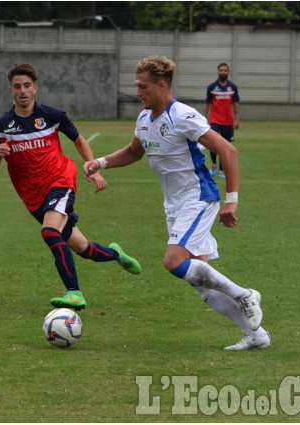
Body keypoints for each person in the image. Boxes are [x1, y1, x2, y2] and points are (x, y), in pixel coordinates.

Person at [84, 56, 269, 351]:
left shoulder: (182, 115)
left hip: (198, 197)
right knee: (204, 287)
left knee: (173, 261)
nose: (138, 92)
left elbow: (228, 151)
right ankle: (257, 336)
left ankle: (245, 295)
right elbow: (134, 152)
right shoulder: (144, 118)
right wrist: (101, 163)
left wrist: (231, 201)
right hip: (174, 205)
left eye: (142, 87)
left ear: (161, 85)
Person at [0, 62, 141, 311]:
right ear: (11, 90)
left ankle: (74, 293)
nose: (22, 90)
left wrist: (93, 166)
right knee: (82, 248)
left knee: (49, 232)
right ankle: (116, 254)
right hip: (33, 196)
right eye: (17, 86)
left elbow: (78, 140)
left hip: (60, 180)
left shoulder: (52, 115)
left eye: (27, 85)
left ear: (35, 88)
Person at [202, 63, 240, 179]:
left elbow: (235, 105)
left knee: (226, 146)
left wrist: (236, 119)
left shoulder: (232, 87)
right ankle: (213, 164)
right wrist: (203, 119)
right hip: (215, 120)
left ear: (228, 72)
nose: (223, 72)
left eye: (225, 70)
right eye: (221, 70)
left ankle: (222, 169)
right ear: (218, 71)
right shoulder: (212, 87)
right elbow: (207, 104)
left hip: (228, 122)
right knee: (213, 144)